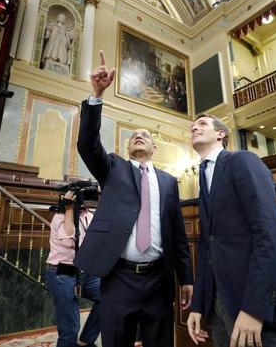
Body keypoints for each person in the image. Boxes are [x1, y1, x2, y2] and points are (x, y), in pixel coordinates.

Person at [74, 50, 193, 347]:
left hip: (159, 280)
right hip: (119, 278)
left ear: (154, 147)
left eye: (145, 135)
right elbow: (88, 145)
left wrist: (186, 278)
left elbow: (177, 235)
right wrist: (97, 94)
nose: (139, 136)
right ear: (128, 148)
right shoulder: (114, 168)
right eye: (133, 135)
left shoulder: (168, 182)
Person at [186, 115, 276, 347]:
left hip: (252, 300)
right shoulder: (203, 175)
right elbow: (208, 245)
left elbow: (268, 233)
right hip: (218, 302)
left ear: (221, 134)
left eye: (202, 124)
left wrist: (256, 307)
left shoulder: (242, 160)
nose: (194, 127)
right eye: (192, 126)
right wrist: (198, 304)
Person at [44, 190, 100, 347]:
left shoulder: (89, 215)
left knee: (108, 297)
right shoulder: (60, 217)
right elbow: (69, 239)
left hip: (83, 272)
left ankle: (85, 341)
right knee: (70, 328)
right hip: (61, 273)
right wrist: (68, 209)